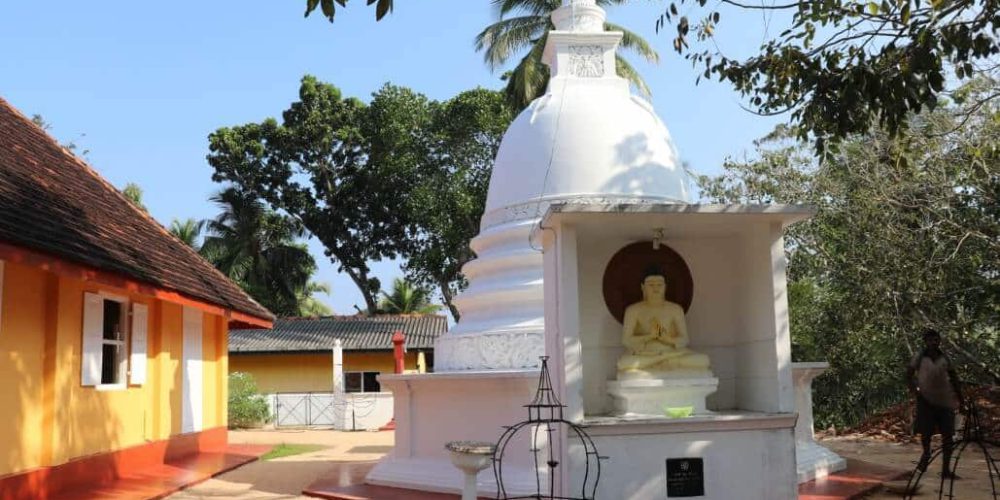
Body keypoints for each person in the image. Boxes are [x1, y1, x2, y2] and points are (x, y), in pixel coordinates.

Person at [616, 269, 711, 375]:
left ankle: (663, 361)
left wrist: (668, 339)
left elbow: (685, 339)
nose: (656, 288)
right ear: (643, 287)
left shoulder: (675, 309)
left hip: (672, 352)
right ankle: (663, 360)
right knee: (623, 363)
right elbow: (626, 340)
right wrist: (650, 336)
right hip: (646, 353)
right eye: (651, 285)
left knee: (704, 360)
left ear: (665, 287)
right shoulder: (633, 310)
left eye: (659, 284)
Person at [905, 328, 964, 478]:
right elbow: (908, 375)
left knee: (948, 436)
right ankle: (926, 455)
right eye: (930, 340)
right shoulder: (920, 357)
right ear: (926, 342)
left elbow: (954, 377)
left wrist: (961, 399)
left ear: (939, 341)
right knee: (926, 434)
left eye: (936, 340)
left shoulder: (945, 358)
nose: (933, 343)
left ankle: (946, 469)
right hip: (926, 401)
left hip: (945, 401)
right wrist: (916, 391)